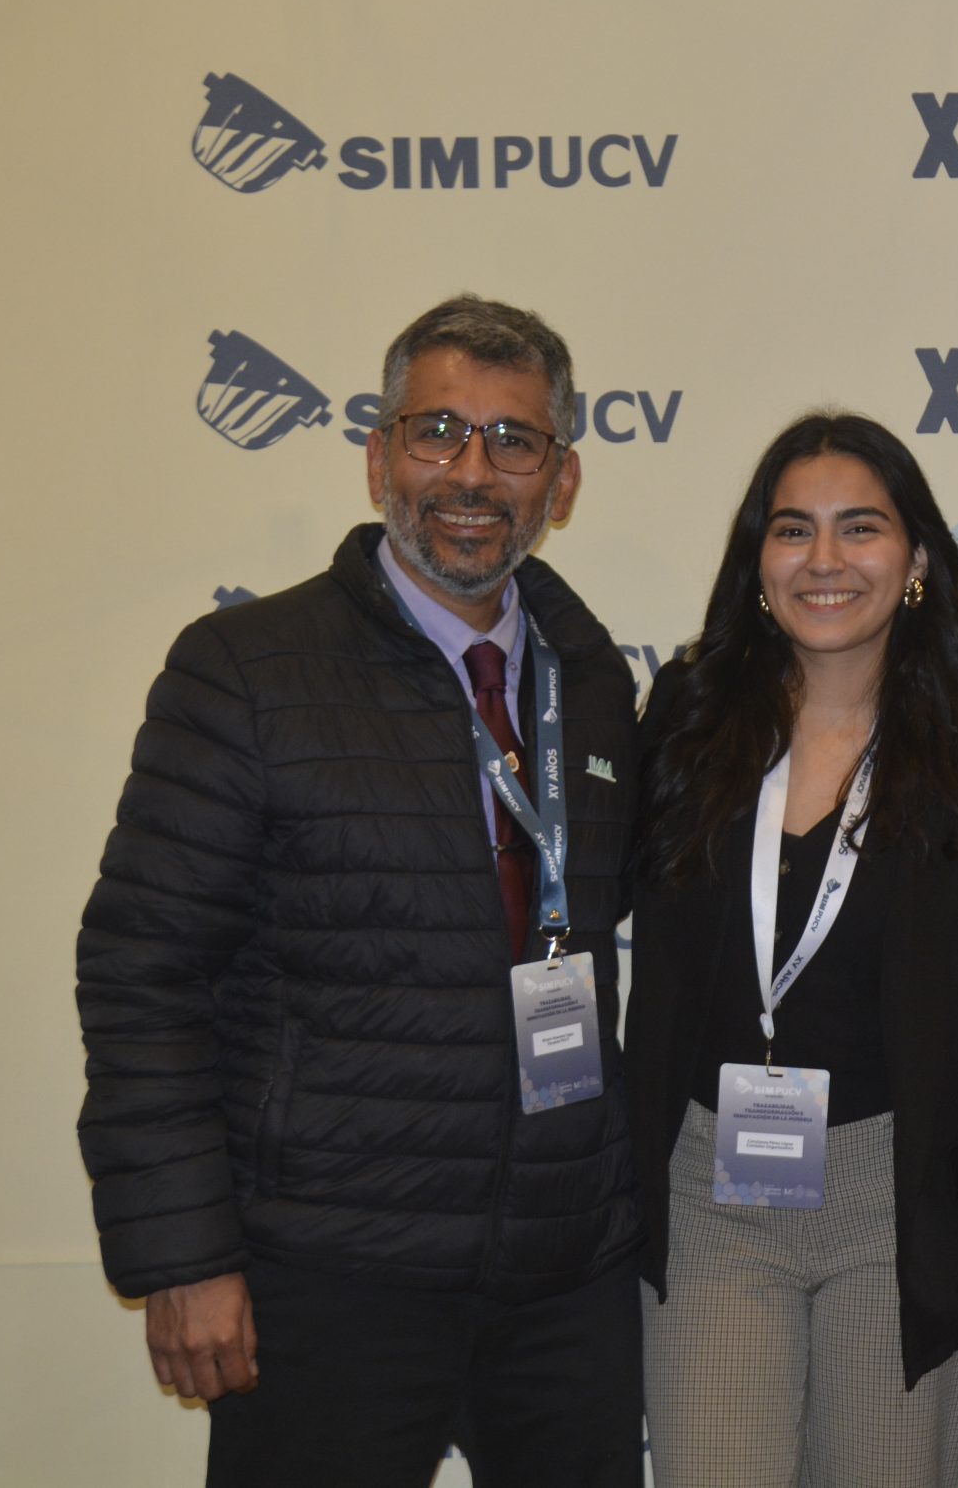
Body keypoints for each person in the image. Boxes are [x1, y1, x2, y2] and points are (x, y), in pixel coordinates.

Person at [75, 296, 644, 1486]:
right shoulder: (246, 672)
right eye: (437, 431)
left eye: (513, 441)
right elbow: (143, 976)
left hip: (561, 1282)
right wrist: (185, 1255)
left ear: (563, 482)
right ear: (379, 458)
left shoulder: (592, 686)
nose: (471, 473)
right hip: (329, 1276)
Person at [625, 412, 958, 1486]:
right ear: (758, 562)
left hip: (900, 1206)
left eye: (861, 528)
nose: (824, 560)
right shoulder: (683, 732)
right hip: (710, 1197)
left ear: (916, 560)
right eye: (793, 530)